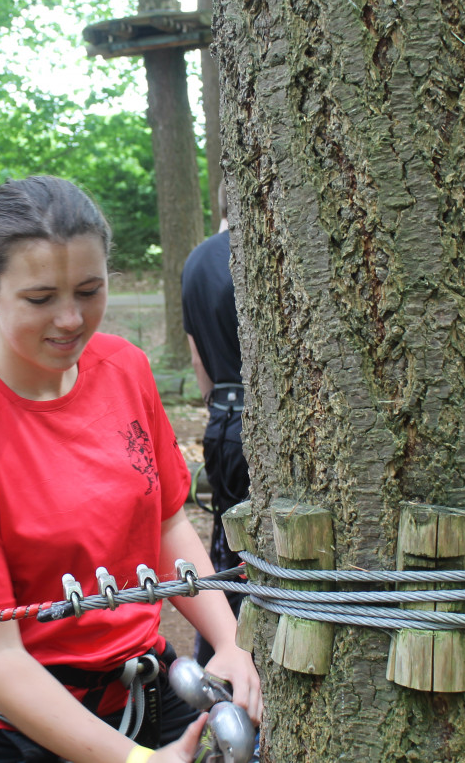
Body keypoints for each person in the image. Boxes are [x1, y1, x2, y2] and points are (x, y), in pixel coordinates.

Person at [0, 176, 262, 763]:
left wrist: (227, 641)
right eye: (40, 299)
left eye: (89, 291)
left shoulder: (124, 368)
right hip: (19, 722)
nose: (70, 319)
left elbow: (166, 522)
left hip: (141, 686)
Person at [180, 182, 250, 665]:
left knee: (227, 545)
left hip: (221, 421)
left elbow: (197, 358)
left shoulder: (194, 263)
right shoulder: (254, 253)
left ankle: (215, 660)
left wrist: (215, 405)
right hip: (260, 426)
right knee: (258, 556)